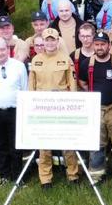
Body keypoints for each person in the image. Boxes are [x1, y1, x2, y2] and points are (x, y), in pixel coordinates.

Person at [28, 29, 80, 187]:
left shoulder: (66, 60)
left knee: (67, 143)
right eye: (47, 40)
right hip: (42, 108)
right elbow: (31, 86)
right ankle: (45, 178)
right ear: (42, 42)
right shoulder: (36, 60)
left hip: (62, 107)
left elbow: (72, 85)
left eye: (53, 40)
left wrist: (72, 107)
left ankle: (73, 175)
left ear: (58, 41)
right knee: (44, 145)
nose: (50, 43)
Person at [77, 29, 112, 183]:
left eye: (103, 44)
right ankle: (96, 176)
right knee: (97, 144)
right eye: (97, 44)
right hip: (96, 109)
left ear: (109, 45)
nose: (99, 47)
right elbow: (82, 82)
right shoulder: (86, 64)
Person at [0, 35, 29, 184]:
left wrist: (24, 111)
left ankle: (17, 177)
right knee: (0, 145)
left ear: (8, 49)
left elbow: (25, 89)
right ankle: (4, 176)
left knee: (16, 145)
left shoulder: (19, 66)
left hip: (15, 111)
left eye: (2, 49)